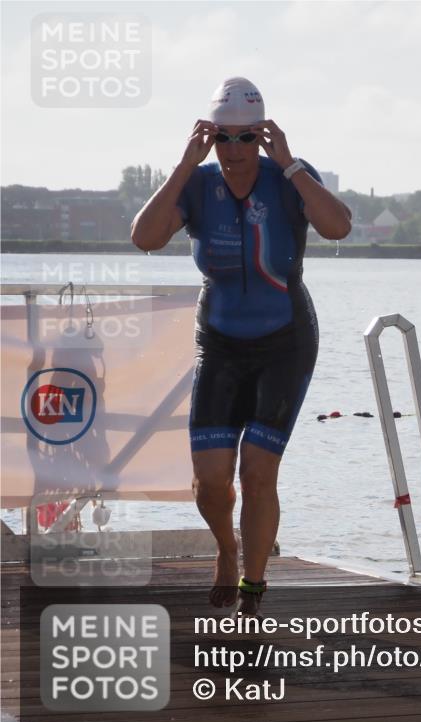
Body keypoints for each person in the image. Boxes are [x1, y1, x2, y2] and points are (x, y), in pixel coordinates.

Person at [130, 77, 352, 615]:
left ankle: (253, 584)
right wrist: (185, 164)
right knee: (209, 482)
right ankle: (226, 551)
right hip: (221, 343)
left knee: (257, 470)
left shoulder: (289, 178)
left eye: (246, 138)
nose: (234, 151)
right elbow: (145, 237)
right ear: (208, 138)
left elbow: (338, 227)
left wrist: (293, 164)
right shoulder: (197, 185)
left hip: (285, 340)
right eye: (222, 138)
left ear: (265, 136)